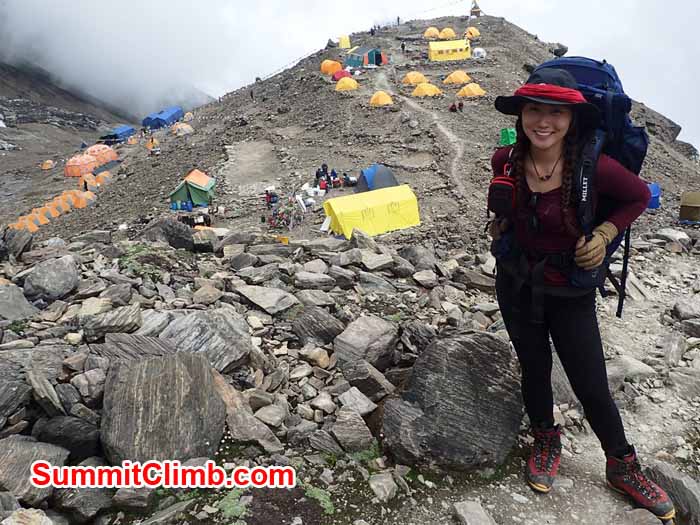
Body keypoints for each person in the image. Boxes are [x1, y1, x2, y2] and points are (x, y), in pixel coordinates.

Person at [488, 68, 675, 521]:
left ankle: (622, 464)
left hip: (570, 290)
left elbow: (639, 197)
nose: (544, 121)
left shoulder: (595, 167)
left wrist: (606, 232)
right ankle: (545, 439)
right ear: (521, 115)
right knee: (534, 367)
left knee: (590, 382)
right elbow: (505, 206)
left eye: (557, 112)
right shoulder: (505, 160)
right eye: (535, 109)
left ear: (573, 119)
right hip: (515, 282)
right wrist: (502, 225)